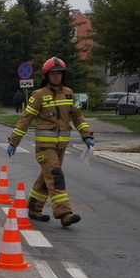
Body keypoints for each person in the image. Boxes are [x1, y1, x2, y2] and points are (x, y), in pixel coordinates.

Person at [6, 57, 94, 227]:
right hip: (45, 147)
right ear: (46, 76)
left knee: (47, 179)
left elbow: (78, 117)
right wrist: (14, 141)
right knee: (55, 176)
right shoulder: (39, 95)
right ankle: (64, 213)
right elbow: (25, 119)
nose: (56, 77)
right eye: (53, 74)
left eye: (59, 73)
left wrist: (86, 135)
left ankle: (33, 208)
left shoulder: (68, 93)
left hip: (61, 146)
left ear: (63, 75)